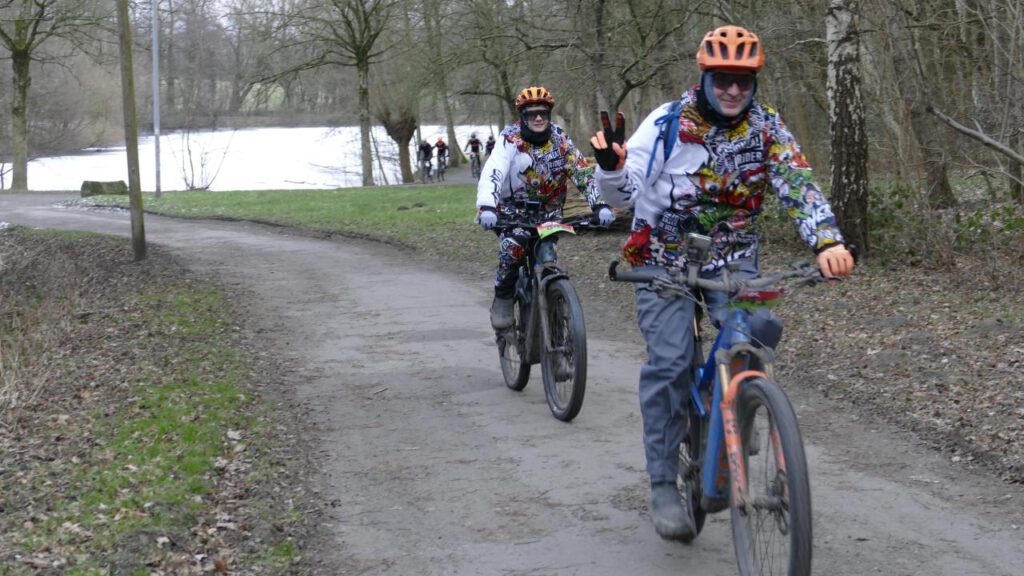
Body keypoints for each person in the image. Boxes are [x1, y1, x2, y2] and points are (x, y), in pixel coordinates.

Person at [590, 25, 854, 540]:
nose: (733, 90)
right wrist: (611, 169)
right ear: (705, 77)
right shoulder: (667, 123)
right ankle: (664, 482)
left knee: (758, 328)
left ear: (754, 83)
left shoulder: (768, 128)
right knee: (668, 362)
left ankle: (740, 412)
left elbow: (798, 183)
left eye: (743, 81)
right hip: (662, 258)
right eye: (723, 79)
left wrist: (827, 242)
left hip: (733, 260)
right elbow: (622, 197)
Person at [477, 85, 615, 329]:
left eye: (543, 113)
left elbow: (582, 171)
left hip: (549, 213)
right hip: (512, 212)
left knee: (547, 256)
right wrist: (487, 206)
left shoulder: (560, 139)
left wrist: (600, 204)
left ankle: (555, 321)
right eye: (532, 114)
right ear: (523, 117)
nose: (538, 118)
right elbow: (494, 169)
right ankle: (504, 297)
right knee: (513, 251)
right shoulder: (510, 139)